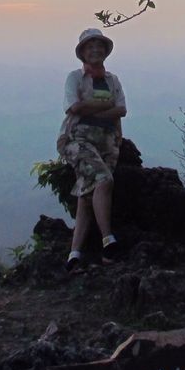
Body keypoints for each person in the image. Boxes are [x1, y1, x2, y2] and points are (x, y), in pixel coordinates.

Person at [58, 28, 127, 273]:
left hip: (107, 141)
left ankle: (74, 255)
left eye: (99, 45)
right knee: (103, 180)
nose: (95, 50)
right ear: (82, 53)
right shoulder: (75, 78)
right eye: (90, 46)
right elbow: (74, 108)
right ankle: (108, 241)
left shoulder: (112, 80)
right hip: (79, 139)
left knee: (87, 196)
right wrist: (105, 105)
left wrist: (92, 108)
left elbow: (121, 110)